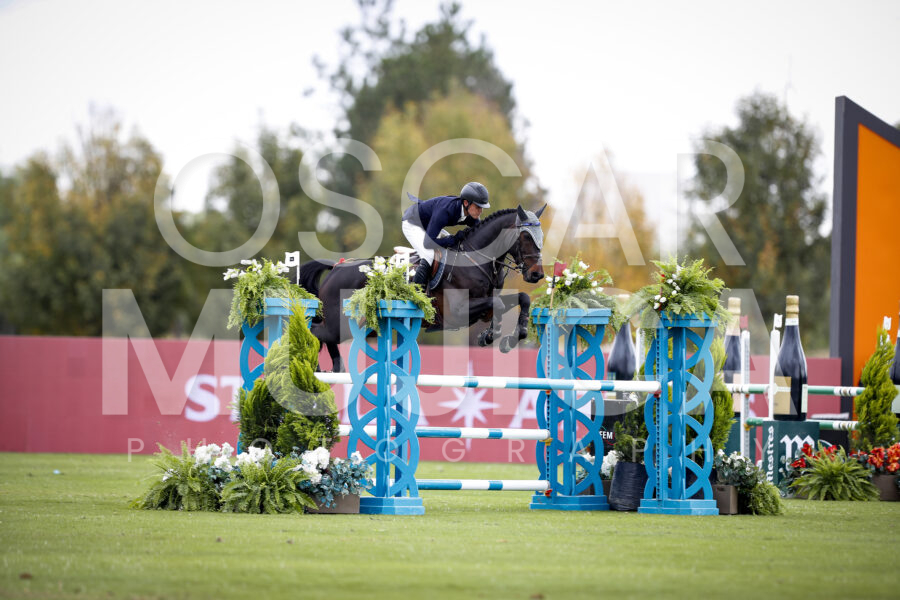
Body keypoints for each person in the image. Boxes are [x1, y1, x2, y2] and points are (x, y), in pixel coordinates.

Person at [402, 182, 490, 287]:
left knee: (453, 248)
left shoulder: (470, 213)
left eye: (482, 207)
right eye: (478, 207)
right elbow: (428, 243)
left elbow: (480, 232)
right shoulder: (445, 211)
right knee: (429, 254)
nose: (481, 211)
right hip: (412, 223)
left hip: (429, 226)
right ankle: (416, 291)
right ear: (466, 203)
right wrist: (454, 239)